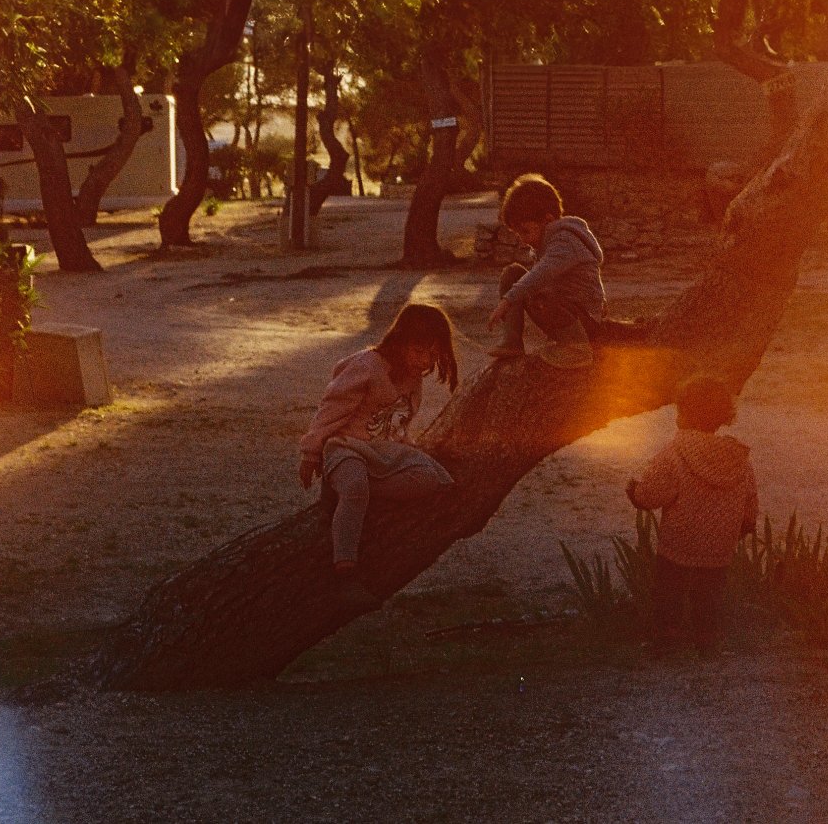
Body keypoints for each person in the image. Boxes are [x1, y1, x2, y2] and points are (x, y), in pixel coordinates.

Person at [299, 303, 459, 579]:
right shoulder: (367, 367)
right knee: (355, 484)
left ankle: (348, 491)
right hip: (346, 447)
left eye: (432, 355)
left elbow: (398, 421)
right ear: (400, 342)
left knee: (432, 479)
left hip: (385, 453)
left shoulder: (412, 378)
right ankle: (345, 567)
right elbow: (331, 409)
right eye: (419, 352)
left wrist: (406, 444)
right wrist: (311, 453)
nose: (425, 362)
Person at [626, 375, 758, 657]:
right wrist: (744, 525)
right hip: (719, 545)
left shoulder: (675, 452)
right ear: (724, 415)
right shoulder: (737, 458)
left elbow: (653, 495)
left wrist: (635, 491)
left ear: (684, 413)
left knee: (669, 591)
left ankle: (666, 641)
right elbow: (750, 501)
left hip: (679, 541)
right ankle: (707, 642)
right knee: (709, 594)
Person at [485, 173, 606, 369]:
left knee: (538, 291)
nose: (523, 239)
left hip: (585, 322)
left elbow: (542, 274)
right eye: (518, 234)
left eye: (525, 231)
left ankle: (577, 349)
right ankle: (512, 341)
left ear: (548, 220)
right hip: (565, 310)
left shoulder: (565, 240)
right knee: (513, 273)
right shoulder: (546, 243)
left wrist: (507, 301)